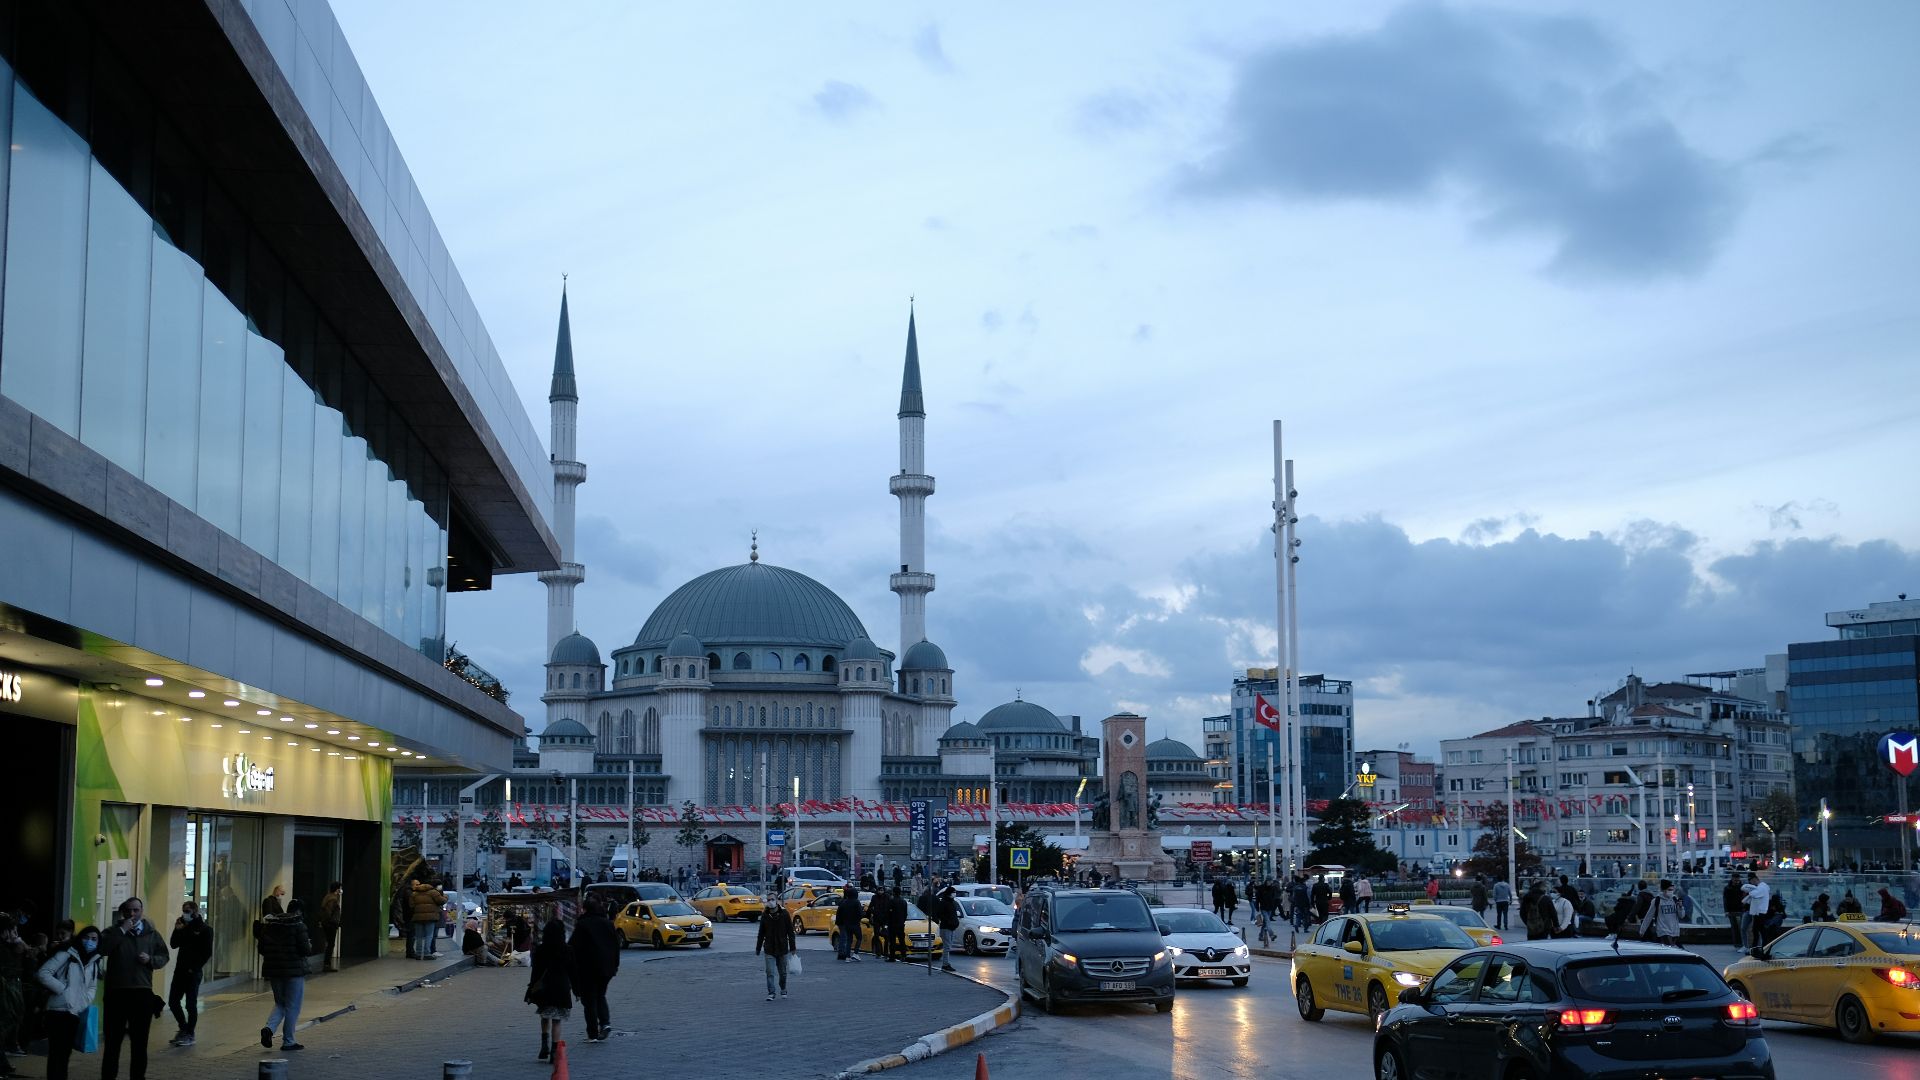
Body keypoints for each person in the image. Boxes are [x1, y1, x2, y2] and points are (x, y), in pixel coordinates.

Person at [98, 897, 169, 1080]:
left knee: (140, 1043)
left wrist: (151, 960)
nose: (132, 914)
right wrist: (122, 930)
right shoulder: (113, 932)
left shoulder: (152, 934)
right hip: (116, 993)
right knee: (113, 1042)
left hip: (141, 992)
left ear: (141, 911)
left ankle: (138, 1077)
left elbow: (164, 956)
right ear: (123, 912)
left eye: (136, 910)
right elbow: (102, 949)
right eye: (129, 910)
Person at [34, 923, 103, 1080]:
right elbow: (43, 973)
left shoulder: (94, 961)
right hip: (57, 1011)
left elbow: (92, 987)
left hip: (74, 1012)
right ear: (79, 938)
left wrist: (82, 1002)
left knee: (65, 1054)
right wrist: (62, 990)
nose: (90, 941)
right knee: (56, 1054)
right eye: (86, 937)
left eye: (94, 939)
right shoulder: (67, 954)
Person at [255, 897, 311, 1052]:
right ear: (300, 911)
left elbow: (262, 949)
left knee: (280, 1003)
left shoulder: (270, 925)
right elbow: (305, 950)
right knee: (293, 1006)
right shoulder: (298, 925)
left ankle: (269, 1029)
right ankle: (288, 1041)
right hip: (294, 972)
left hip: (274, 971)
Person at [568, 898, 620, 1042]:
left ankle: (593, 1033)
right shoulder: (608, 924)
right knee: (600, 995)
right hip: (606, 969)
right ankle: (605, 1023)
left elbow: (573, 947)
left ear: (586, 909)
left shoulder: (582, 925)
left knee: (589, 1000)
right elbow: (616, 945)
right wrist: (615, 966)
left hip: (587, 969)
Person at [166, 901, 212, 1047]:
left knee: (190, 1004)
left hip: (193, 973)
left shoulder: (205, 929)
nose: (185, 913)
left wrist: (194, 968)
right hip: (180, 970)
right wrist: (177, 929)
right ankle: (183, 1028)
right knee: (173, 1001)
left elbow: (206, 952)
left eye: (187, 911)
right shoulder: (183, 927)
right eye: (183, 910)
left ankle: (190, 1033)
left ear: (195, 911)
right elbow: (173, 944)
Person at [526, 919, 573, 1062]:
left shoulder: (540, 949)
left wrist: (531, 988)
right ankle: (554, 1052)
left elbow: (536, 972)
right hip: (561, 988)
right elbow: (573, 971)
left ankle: (544, 1046)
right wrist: (577, 990)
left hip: (544, 989)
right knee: (557, 1021)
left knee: (545, 1015)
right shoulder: (567, 949)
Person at [755, 898, 796, 1001]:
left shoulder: (784, 914)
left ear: (777, 903)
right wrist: (758, 948)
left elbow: (790, 932)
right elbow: (761, 933)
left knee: (782, 972)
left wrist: (793, 947)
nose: (771, 902)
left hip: (782, 948)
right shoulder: (765, 915)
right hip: (769, 948)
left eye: (772, 899)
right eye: (769, 900)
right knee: (770, 972)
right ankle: (771, 993)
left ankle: (783, 989)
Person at [0, 916, 26, 1079]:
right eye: (13, 930)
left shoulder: (6, 947)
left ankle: (3, 1065)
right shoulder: (3, 949)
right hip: (4, 992)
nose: (15, 934)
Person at [409, 876, 446, 961]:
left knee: (418, 936)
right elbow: (441, 901)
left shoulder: (414, 894)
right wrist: (446, 897)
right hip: (431, 917)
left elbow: (411, 905)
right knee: (429, 935)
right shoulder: (433, 892)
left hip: (418, 917)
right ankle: (426, 953)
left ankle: (418, 954)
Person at [1640, 880, 1681, 947]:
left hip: (1674, 931)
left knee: (1672, 951)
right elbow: (1649, 916)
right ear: (1664, 890)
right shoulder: (1657, 901)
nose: (1671, 892)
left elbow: (1681, 915)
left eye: (1672, 890)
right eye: (1669, 890)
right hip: (1663, 931)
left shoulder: (1675, 899)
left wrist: (1681, 907)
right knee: (1670, 950)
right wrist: (1642, 930)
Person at [932, 886, 961, 972]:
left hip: (951, 927)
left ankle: (946, 963)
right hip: (946, 927)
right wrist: (948, 921)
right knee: (947, 947)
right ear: (949, 893)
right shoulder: (944, 903)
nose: (954, 894)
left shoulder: (952, 902)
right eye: (953, 892)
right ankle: (945, 964)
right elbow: (939, 914)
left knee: (948, 946)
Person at [1740, 873, 1772, 949]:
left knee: (1758, 930)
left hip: (1759, 912)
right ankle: (1758, 946)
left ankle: (1758, 947)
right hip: (1759, 912)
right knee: (1758, 930)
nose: (1751, 884)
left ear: (1754, 880)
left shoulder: (1761, 888)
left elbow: (1755, 894)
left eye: (1751, 882)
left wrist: (1750, 891)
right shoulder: (1762, 887)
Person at [318, 882, 343, 973]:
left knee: (330, 943)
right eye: (340, 888)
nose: (341, 890)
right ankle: (327, 964)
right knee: (331, 944)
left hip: (328, 924)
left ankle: (327, 964)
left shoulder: (328, 897)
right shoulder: (333, 899)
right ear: (337, 889)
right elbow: (329, 912)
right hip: (330, 925)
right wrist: (332, 922)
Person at [834, 887, 864, 962]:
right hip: (855, 923)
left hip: (847, 923)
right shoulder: (856, 902)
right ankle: (855, 953)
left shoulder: (844, 902)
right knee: (859, 938)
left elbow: (841, 913)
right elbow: (860, 913)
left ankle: (847, 956)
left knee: (849, 940)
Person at [1721, 874, 1746, 944]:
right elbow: (1725, 900)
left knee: (1741, 927)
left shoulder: (1741, 887)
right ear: (1732, 879)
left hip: (1740, 910)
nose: (1737, 882)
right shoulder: (1727, 888)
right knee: (1735, 928)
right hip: (1732, 910)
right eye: (1735, 880)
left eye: (1738, 880)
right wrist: (1726, 911)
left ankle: (1741, 942)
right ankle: (1737, 943)